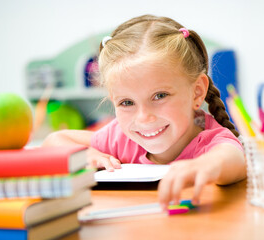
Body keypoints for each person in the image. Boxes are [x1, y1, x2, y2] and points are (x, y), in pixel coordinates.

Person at [42, 15, 246, 209]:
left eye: (160, 96)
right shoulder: (120, 138)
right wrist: (88, 155)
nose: (143, 118)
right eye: (127, 102)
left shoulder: (209, 141)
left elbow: (234, 159)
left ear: (196, 92)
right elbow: (54, 141)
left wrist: (205, 166)